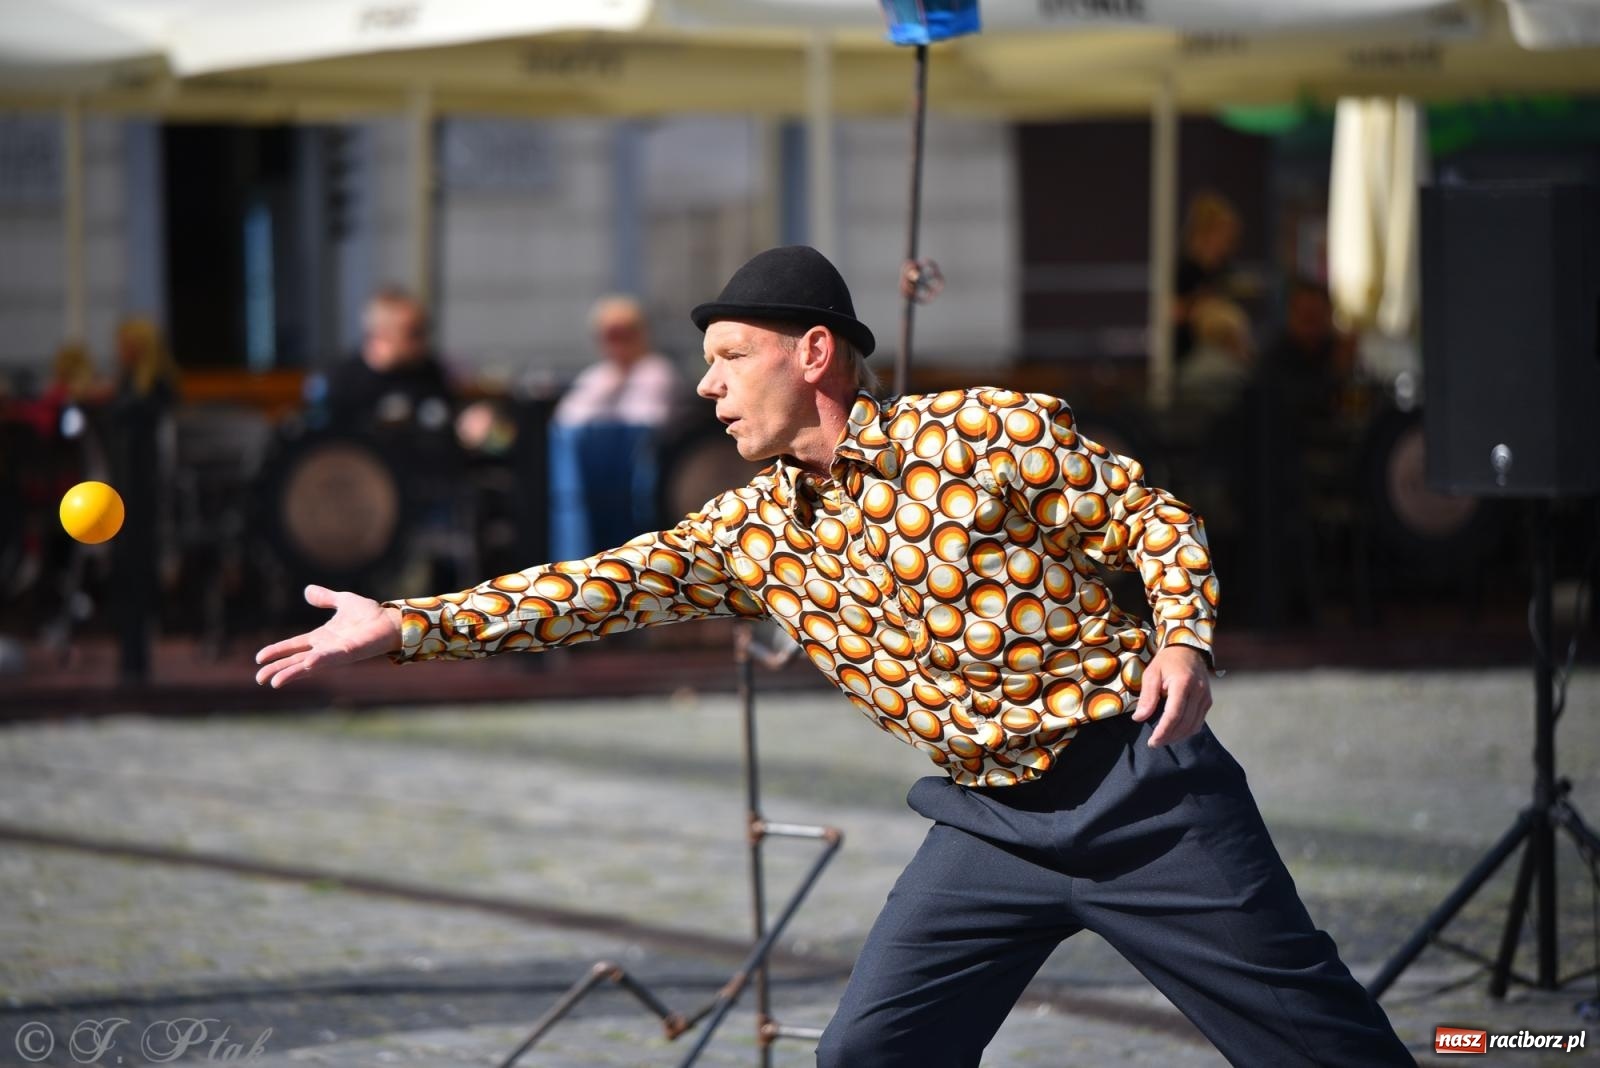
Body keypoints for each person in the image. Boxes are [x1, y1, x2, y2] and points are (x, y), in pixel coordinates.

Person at [255, 245, 1413, 1067]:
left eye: (725, 354)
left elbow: (1153, 519)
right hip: (988, 830)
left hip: (1145, 796)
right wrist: (406, 623)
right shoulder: (752, 528)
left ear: (814, 353)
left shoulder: (980, 433)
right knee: (868, 1053)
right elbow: (590, 589)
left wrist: (1185, 641)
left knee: (1323, 1045)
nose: (705, 383)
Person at [549, 295, 684, 558]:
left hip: (642, 491)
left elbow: (648, 419)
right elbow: (567, 419)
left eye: (625, 334)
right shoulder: (597, 376)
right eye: (610, 335)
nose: (617, 343)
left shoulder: (657, 372)